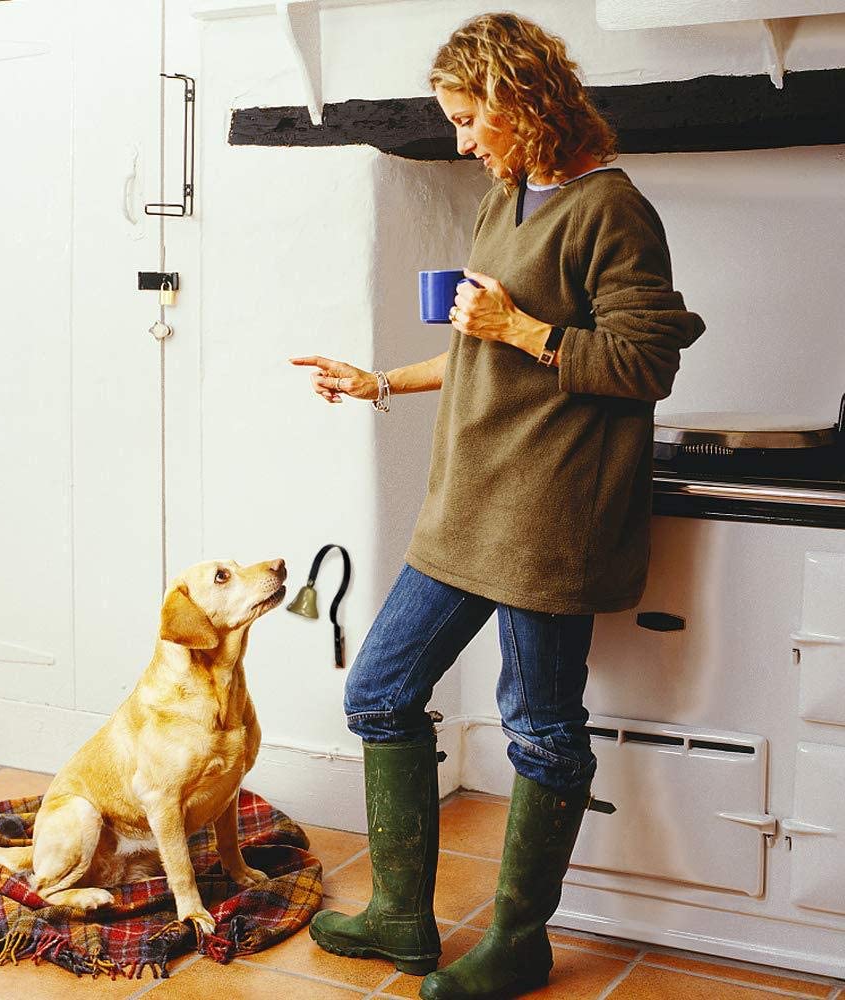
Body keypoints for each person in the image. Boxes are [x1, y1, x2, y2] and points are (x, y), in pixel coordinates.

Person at [290, 13, 705, 1000]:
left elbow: (646, 363)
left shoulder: (611, 209)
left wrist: (522, 325)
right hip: (467, 507)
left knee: (540, 726)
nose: (463, 142)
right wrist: (379, 380)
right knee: (379, 692)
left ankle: (519, 941)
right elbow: (483, 349)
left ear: (520, 102)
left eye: (471, 119)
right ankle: (402, 916)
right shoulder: (506, 195)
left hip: (548, 516)